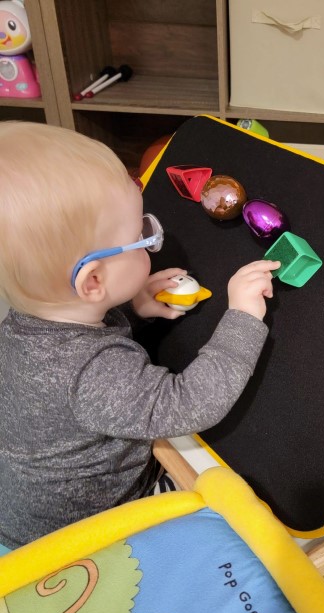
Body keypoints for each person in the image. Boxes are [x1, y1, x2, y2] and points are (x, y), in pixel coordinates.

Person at [0, 121, 280, 550]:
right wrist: (242, 316)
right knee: (236, 522)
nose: (152, 239)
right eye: (139, 236)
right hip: (82, 534)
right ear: (93, 282)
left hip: (24, 505)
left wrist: (131, 308)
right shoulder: (93, 373)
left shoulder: (22, 326)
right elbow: (189, 404)